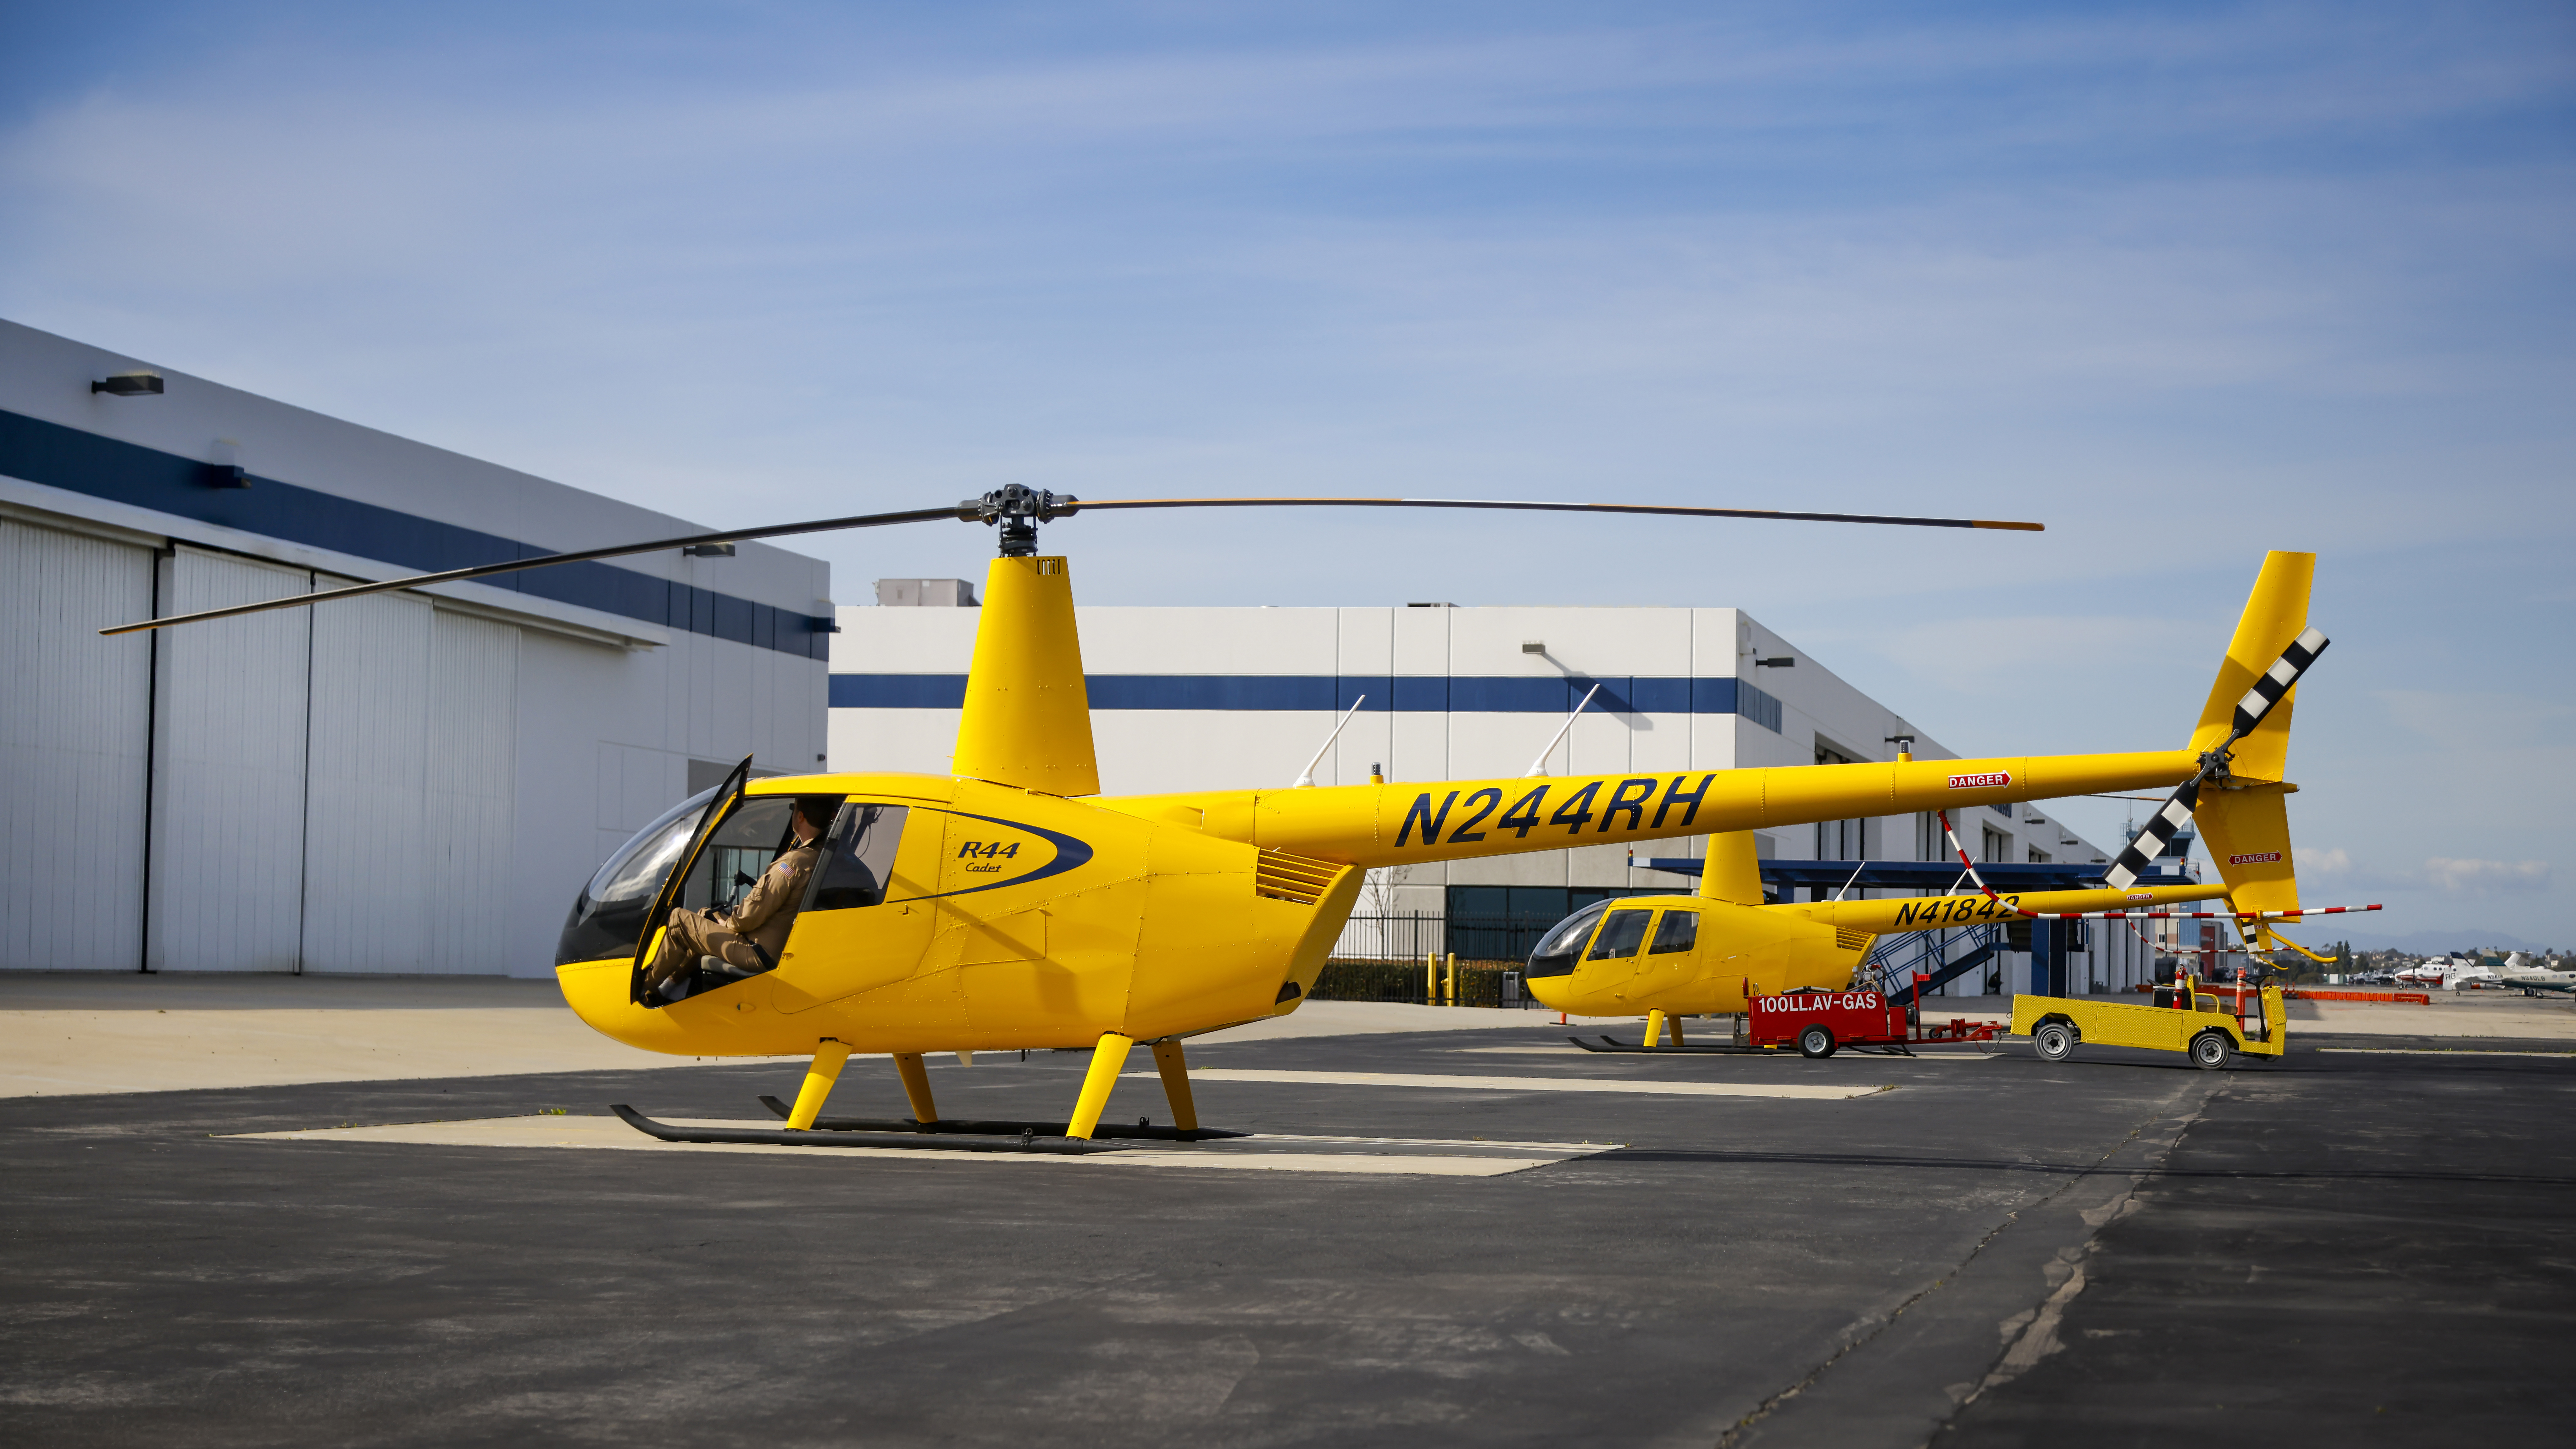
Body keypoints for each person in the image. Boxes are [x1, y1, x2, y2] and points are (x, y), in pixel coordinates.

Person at [644, 796, 835, 1002]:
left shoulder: (792, 864)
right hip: (781, 948)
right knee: (705, 917)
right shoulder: (823, 857)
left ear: (800, 817)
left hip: (760, 953)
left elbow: (749, 916)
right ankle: (669, 988)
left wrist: (729, 923)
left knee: (679, 920)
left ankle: (643, 990)